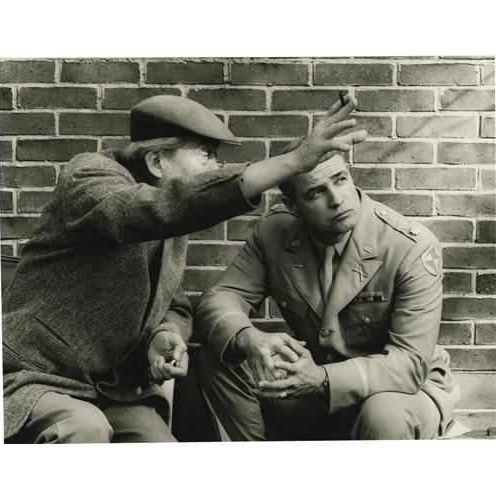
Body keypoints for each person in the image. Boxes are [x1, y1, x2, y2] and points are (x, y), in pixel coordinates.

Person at [2, 94, 368, 443]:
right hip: (34, 377)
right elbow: (139, 210)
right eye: (206, 155)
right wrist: (293, 161)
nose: (216, 168)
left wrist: (164, 333)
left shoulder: (173, 223)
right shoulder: (88, 177)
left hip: (110, 390)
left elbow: (174, 303)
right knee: (84, 428)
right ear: (156, 162)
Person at [194, 145, 461, 440]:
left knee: (383, 413)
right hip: (316, 386)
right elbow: (220, 298)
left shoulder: (409, 246)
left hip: (403, 390)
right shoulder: (274, 234)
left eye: (340, 179)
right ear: (293, 206)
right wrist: (249, 338)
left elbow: (408, 364)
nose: (337, 199)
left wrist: (323, 378)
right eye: (316, 193)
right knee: (220, 355)